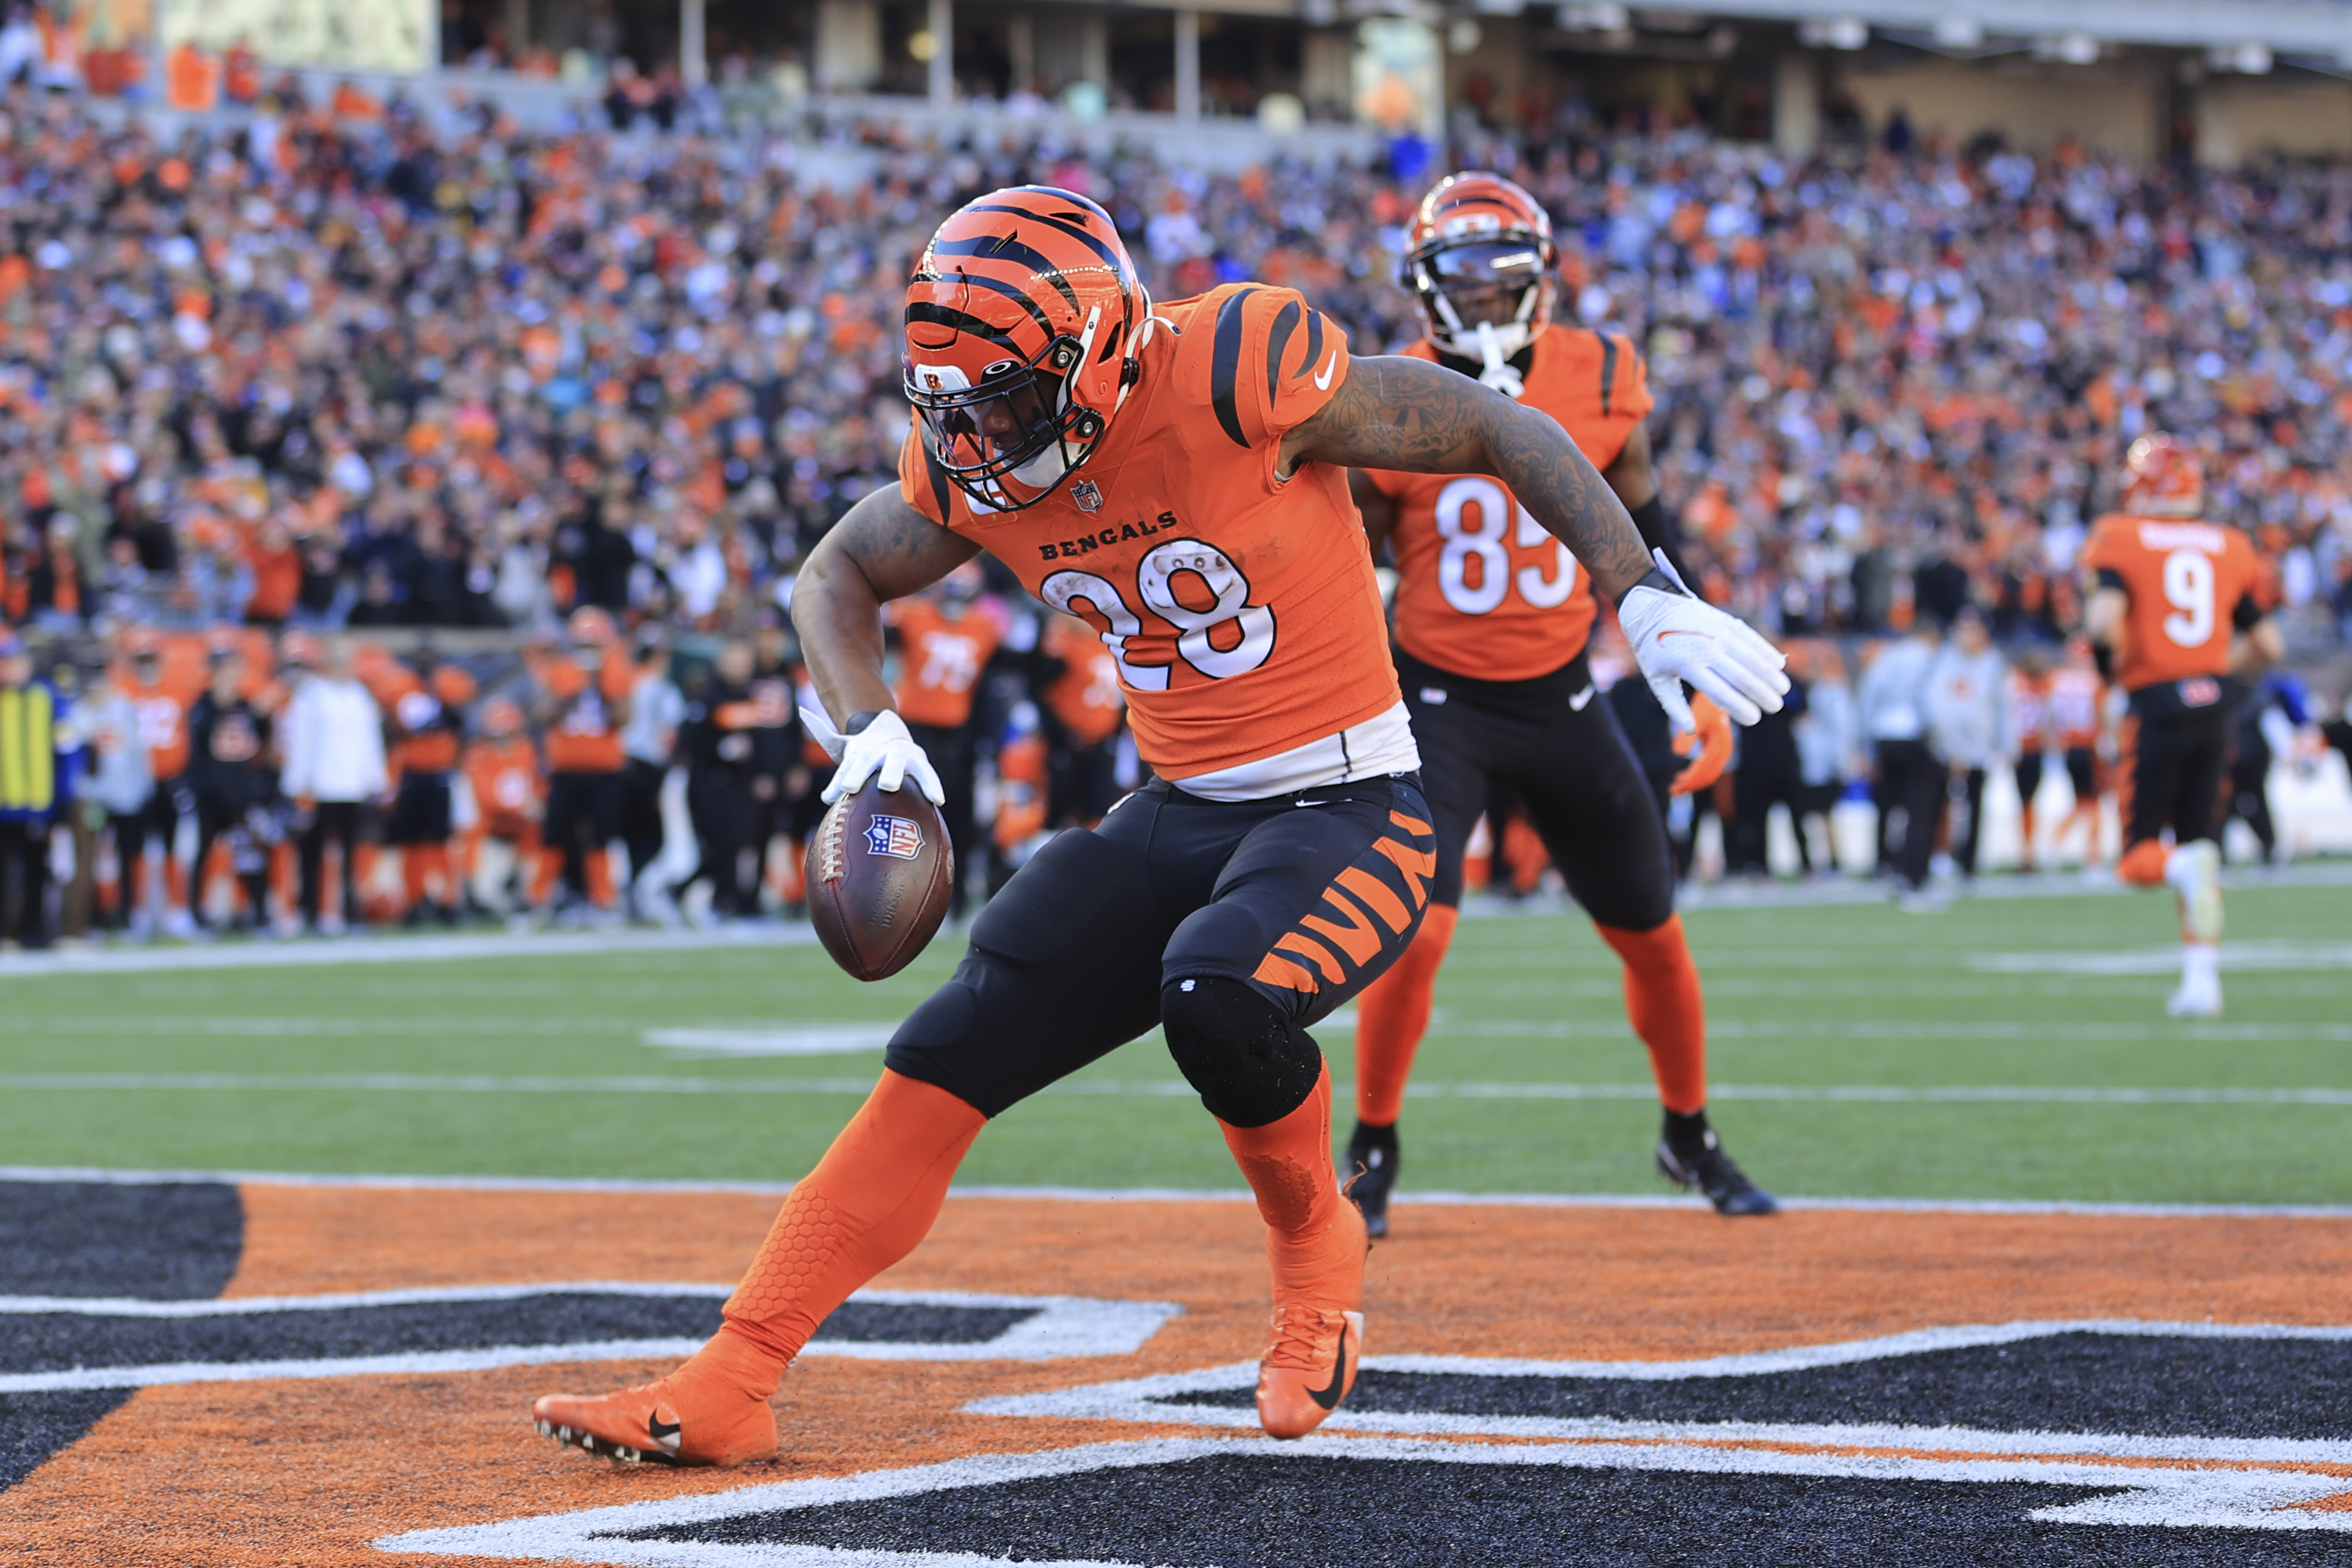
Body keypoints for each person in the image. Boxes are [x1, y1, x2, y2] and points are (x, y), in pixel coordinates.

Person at [529, 184, 1784, 1468]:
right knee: (946, 1048)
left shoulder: (1236, 367)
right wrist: (867, 725)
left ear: (1104, 350)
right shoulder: (972, 453)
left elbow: (1487, 425)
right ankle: (736, 1373)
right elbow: (833, 575)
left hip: (1351, 802)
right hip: (1175, 807)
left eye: (1006, 399)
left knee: (1217, 992)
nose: (978, 437)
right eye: (950, 409)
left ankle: (1316, 1247)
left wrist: (1644, 592)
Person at [1339, 173, 1771, 1229]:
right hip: (1435, 699)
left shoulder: (1606, 375)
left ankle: (1689, 1133)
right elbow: (1355, 568)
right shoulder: (1383, 391)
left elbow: (1649, 531)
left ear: (1540, 281)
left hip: (1564, 695)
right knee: (1417, 934)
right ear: (1423, 286)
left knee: (1654, 934)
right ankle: (1375, 1143)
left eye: (1501, 276)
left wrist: (1694, 678)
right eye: (1459, 277)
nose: (1481, 297)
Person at [2082, 435, 2281, 1018]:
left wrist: (2113, 676)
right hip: (2215, 706)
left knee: (2141, 858)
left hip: (2157, 704)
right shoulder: (2229, 544)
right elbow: (2269, 644)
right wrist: (2219, 676)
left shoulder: (2121, 535)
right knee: (2202, 849)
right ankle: (2203, 981)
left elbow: (2102, 623)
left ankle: (2177, 873)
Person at [887, 564, 1002, 920]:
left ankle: (956, 898)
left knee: (957, 818)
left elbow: (986, 688)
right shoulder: (913, 615)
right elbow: (878, 633)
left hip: (959, 733)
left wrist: (986, 738)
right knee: (911, 813)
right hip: (915, 729)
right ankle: (900, 895)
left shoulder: (984, 628)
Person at [531, 609, 633, 920]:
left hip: (604, 768)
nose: (587, 651)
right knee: (554, 834)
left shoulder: (615, 671)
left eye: (593, 644)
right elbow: (542, 713)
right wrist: (571, 691)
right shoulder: (560, 670)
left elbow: (623, 718)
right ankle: (540, 900)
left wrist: (599, 685)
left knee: (601, 835)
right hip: (565, 768)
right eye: (583, 644)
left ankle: (602, 901)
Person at [280, 637, 387, 934]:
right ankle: (310, 913)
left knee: (352, 854)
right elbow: (300, 742)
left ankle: (350, 913)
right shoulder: (311, 696)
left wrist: (375, 778)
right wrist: (298, 783)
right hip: (321, 785)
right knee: (312, 854)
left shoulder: (359, 695)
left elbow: (370, 741)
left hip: (352, 786)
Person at [186, 646, 280, 932]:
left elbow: (263, 745)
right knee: (204, 855)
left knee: (250, 855)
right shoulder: (202, 707)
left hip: (241, 795)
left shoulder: (247, 707)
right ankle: (197, 915)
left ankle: (258, 913)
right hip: (211, 795)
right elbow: (198, 748)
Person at [1857, 616, 1947, 907]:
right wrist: (1935, 733)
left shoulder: (1887, 655)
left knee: (1888, 806)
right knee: (1920, 811)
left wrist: (1866, 742)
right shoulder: (1928, 657)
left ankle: (1887, 864)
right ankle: (1913, 877)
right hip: (1913, 735)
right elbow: (1930, 699)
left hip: (1884, 735)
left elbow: (1868, 695)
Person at [119, 632, 203, 938]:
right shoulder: (123, 690)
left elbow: (191, 737)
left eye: (150, 658)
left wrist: (186, 777)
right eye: (141, 659)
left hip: (170, 780)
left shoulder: (177, 690)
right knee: (135, 850)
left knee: (173, 848)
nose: (146, 665)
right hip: (134, 781)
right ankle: (136, 914)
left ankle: (177, 911)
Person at [383, 652, 475, 925]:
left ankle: (447, 900)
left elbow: (458, 723)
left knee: (440, 840)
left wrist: (442, 697)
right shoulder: (401, 690)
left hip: (438, 773)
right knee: (411, 841)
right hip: (411, 773)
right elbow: (395, 728)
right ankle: (414, 900)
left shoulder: (448, 687)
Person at [1926, 606, 2005, 880]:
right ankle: (1939, 856)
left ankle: (1968, 862)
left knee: (1974, 808)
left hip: (1979, 749)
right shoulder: (1944, 660)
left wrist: (2005, 744)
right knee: (1940, 806)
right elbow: (1938, 706)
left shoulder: (1992, 662)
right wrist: (1951, 746)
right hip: (1945, 749)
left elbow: (2002, 707)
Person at [0, 633, 69, 948]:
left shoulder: (47, 696)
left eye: (13, 662)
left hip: (39, 802)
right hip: (4, 802)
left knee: (38, 871)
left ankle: (34, 931)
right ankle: (6, 933)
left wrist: (63, 797)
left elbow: (66, 747)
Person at [619, 630, 685, 921]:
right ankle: (641, 893)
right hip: (649, 764)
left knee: (630, 835)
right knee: (652, 837)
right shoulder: (662, 688)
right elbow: (671, 732)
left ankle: (631, 892)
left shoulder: (626, 682)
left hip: (622, 764)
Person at [459, 696, 544, 915]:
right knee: (470, 830)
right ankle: (468, 889)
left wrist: (535, 805)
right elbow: (484, 794)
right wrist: (522, 808)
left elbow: (536, 783)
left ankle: (520, 883)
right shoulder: (478, 752)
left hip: (519, 816)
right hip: (491, 816)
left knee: (538, 831)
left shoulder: (526, 749)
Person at [2047, 634, 2107, 865]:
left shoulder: (2057, 679)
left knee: (2084, 800)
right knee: (2092, 802)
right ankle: (2091, 855)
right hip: (2090, 746)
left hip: (2068, 748)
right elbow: (2103, 713)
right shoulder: (2095, 680)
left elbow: (2051, 717)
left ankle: (2057, 842)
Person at [2004, 647, 2056, 873]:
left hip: (2032, 749)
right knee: (2027, 803)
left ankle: (2027, 852)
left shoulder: (2040, 683)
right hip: (2023, 749)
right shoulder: (2018, 683)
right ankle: (2026, 853)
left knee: (2028, 803)